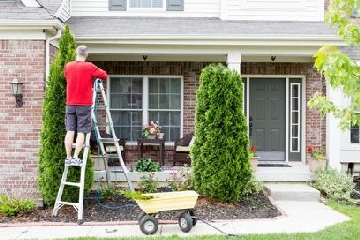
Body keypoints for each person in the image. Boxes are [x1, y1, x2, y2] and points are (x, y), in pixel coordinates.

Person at [64, 45, 108, 166]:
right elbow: (104, 75)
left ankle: (68, 158)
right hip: (84, 104)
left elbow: (67, 76)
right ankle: (76, 157)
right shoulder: (89, 66)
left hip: (70, 104)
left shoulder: (68, 66)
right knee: (81, 132)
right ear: (86, 55)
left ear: (76, 53)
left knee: (70, 130)